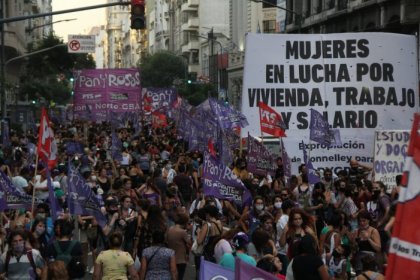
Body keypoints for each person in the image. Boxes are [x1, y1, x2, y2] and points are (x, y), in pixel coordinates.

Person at [166, 212, 191, 280]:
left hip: (170, 258)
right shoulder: (182, 232)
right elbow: (189, 243)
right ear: (184, 222)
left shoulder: (170, 229)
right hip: (181, 259)